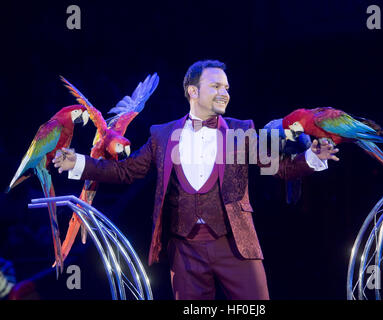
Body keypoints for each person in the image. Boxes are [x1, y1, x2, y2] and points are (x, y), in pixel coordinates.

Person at [53, 60, 339, 299]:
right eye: (216, 86)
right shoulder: (162, 134)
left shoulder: (242, 130)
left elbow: (280, 169)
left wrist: (314, 157)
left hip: (235, 246)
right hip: (185, 250)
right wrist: (78, 162)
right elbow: (126, 171)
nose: (224, 92)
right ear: (193, 91)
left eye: (226, 87)